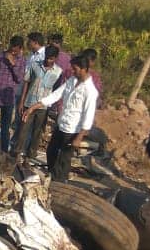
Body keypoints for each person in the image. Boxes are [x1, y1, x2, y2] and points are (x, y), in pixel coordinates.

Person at [24, 52, 97, 182]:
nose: (73, 71)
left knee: (64, 160)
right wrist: (33, 107)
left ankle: (60, 182)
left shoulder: (90, 91)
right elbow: (56, 95)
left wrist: (79, 138)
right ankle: (52, 175)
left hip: (73, 130)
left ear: (84, 69)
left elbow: (88, 116)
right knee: (51, 151)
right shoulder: (71, 81)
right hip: (62, 125)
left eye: (75, 69)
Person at [14, 43, 60, 159]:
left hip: (43, 108)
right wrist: (21, 101)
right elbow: (26, 82)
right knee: (22, 130)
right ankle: (15, 154)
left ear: (55, 58)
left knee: (37, 133)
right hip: (29, 103)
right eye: (46, 58)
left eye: (50, 59)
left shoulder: (58, 72)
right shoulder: (35, 65)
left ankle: (29, 157)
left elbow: (56, 91)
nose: (47, 60)